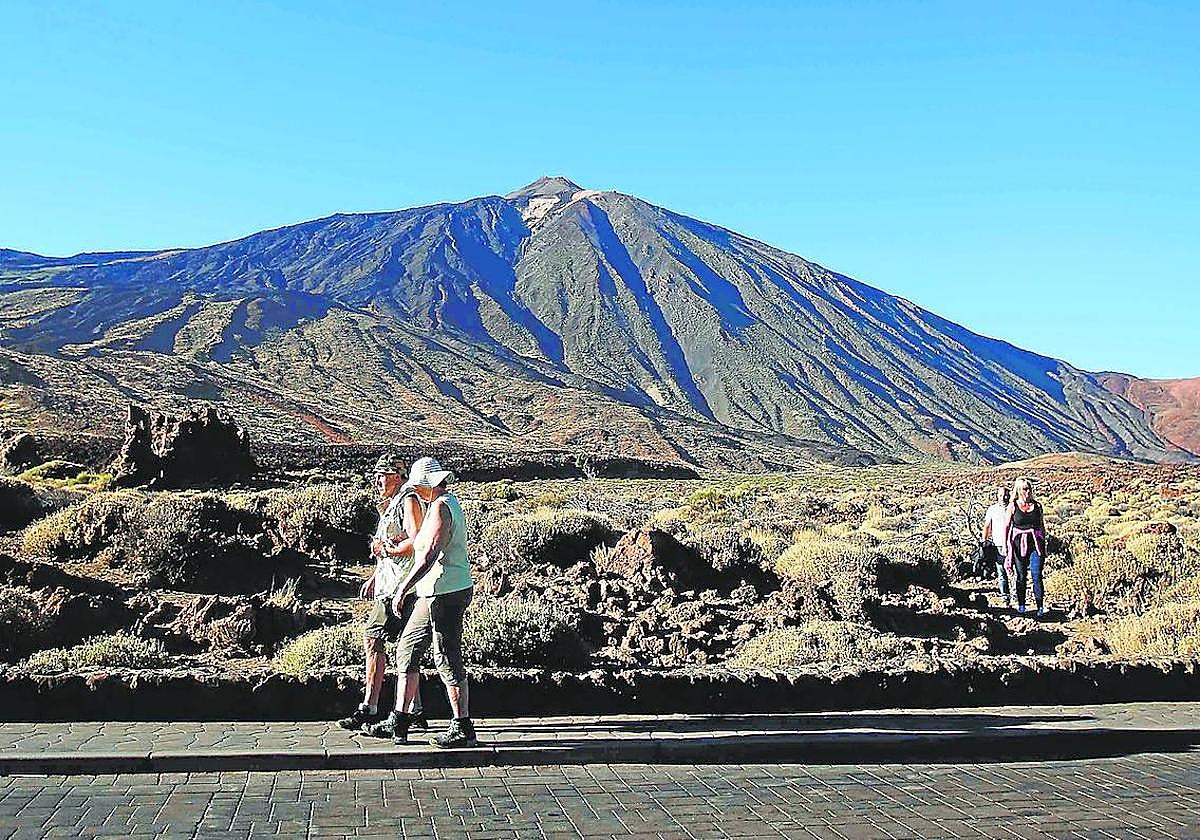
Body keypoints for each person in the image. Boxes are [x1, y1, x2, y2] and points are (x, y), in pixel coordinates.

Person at [362, 456, 477, 748]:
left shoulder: (441, 507)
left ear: (428, 484)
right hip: (433, 591)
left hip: (446, 591)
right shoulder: (437, 505)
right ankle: (399, 720)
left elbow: (429, 554)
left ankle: (463, 727)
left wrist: (403, 587)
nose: (415, 489)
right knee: (408, 648)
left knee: (446, 656)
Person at [336, 454, 428, 733]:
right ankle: (414, 711)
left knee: (374, 638)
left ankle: (370, 707)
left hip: (403, 587)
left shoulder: (408, 500)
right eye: (376, 475)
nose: (377, 480)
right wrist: (376, 575)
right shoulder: (392, 504)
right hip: (392, 585)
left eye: (383, 475)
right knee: (405, 649)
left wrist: (387, 550)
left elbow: (415, 540)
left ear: (398, 476)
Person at [1005, 476, 1048, 618]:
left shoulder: (1037, 506)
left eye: (1029, 489)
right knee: (1021, 576)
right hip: (1018, 545)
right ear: (1018, 490)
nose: (1028, 492)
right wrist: (1006, 546)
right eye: (1024, 489)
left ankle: (1040, 606)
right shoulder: (1013, 506)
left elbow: (1041, 525)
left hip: (1035, 544)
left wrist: (1043, 542)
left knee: (1037, 575)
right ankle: (1022, 605)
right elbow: (1007, 527)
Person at [981, 486, 1011, 607]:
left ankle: (1017, 596)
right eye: (1000, 495)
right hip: (998, 544)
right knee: (1001, 571)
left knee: (1014, 571)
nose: (1003, 498)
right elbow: (987, 525)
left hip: (1013, 544)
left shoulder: (1013, 507)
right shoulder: (992, 509)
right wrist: (984, 541)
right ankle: (1005, 597)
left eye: (1005, 495)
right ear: (997, 496)